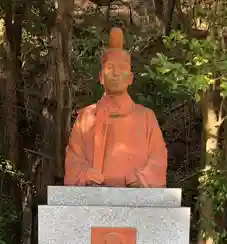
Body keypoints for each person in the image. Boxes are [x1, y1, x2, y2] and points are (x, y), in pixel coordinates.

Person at [64, 27, 168, 188]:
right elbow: (74, 158)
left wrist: (142, 178)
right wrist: (85, 175)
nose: (116, 73)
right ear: (101, 77)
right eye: (110, 68)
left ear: (131, 78)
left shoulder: (146, 117)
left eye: (122, 68)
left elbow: (158, 158)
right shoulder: (86, 116)